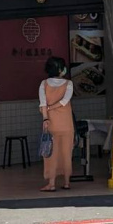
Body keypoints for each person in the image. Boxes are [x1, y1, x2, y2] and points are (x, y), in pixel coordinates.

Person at [38, 56, 75, 192]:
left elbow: (43, 104)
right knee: (66, 153)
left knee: (51, 154)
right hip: (67, 124)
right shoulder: (69, 84)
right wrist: (52, 107)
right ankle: (66, 182)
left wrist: (46, 117)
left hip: (50, 123)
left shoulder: (44, 84)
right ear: (60, 69)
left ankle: (51, 184)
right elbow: (65, 101)